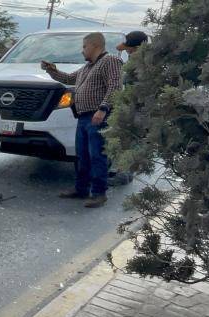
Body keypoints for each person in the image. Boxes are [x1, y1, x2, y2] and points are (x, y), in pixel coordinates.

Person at [42, 32, 123, 208]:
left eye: (85, 46)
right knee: (82, 155)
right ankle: (81, 189)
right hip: (84, 116)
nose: (82, 50)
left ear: (95, 45)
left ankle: (99, 194)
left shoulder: (110, 61)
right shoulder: (87, 67)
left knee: (97, 155)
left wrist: (103, 108)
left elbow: (115, 86)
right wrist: (52, 70)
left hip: (98, 116)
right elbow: (68, 78)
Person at [108, 30, 149, 186]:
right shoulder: (137, 59)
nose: (126, 50)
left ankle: (123, 175)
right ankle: (126, 173)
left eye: (129, 48)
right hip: (135, 107)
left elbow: (139, 89)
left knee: (128, 141)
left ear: (137, 47)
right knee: (130, 141)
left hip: (138, 109)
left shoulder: (142, 63)